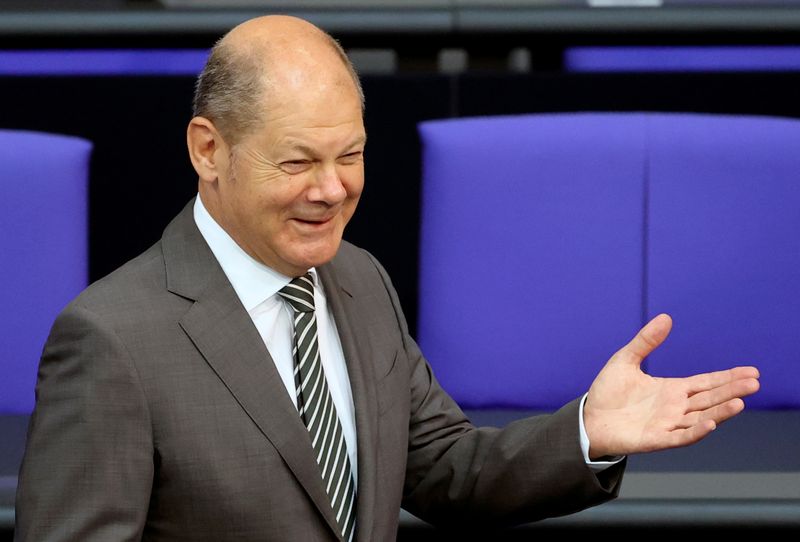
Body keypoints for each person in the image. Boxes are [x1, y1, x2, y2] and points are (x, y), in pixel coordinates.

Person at [14, 15, 760, 542]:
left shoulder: (359, 280)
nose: (333, 190)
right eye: (299, 161)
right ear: (209, 150)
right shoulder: (112, 342)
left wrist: (587, 433)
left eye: (352, 155)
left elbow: (444, 471)